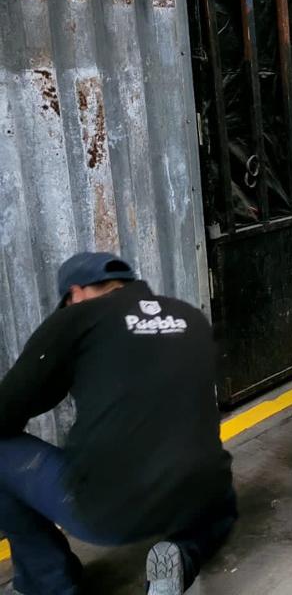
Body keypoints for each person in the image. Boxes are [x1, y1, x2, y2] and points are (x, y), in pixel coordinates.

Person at [0, 252, 236, 595]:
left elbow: (9, 407)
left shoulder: (77, 318)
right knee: (211, 488)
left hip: (113, 510)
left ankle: (47, 582)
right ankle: (182, 552)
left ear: (76, 293)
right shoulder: (190, 316)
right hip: (203, 492)